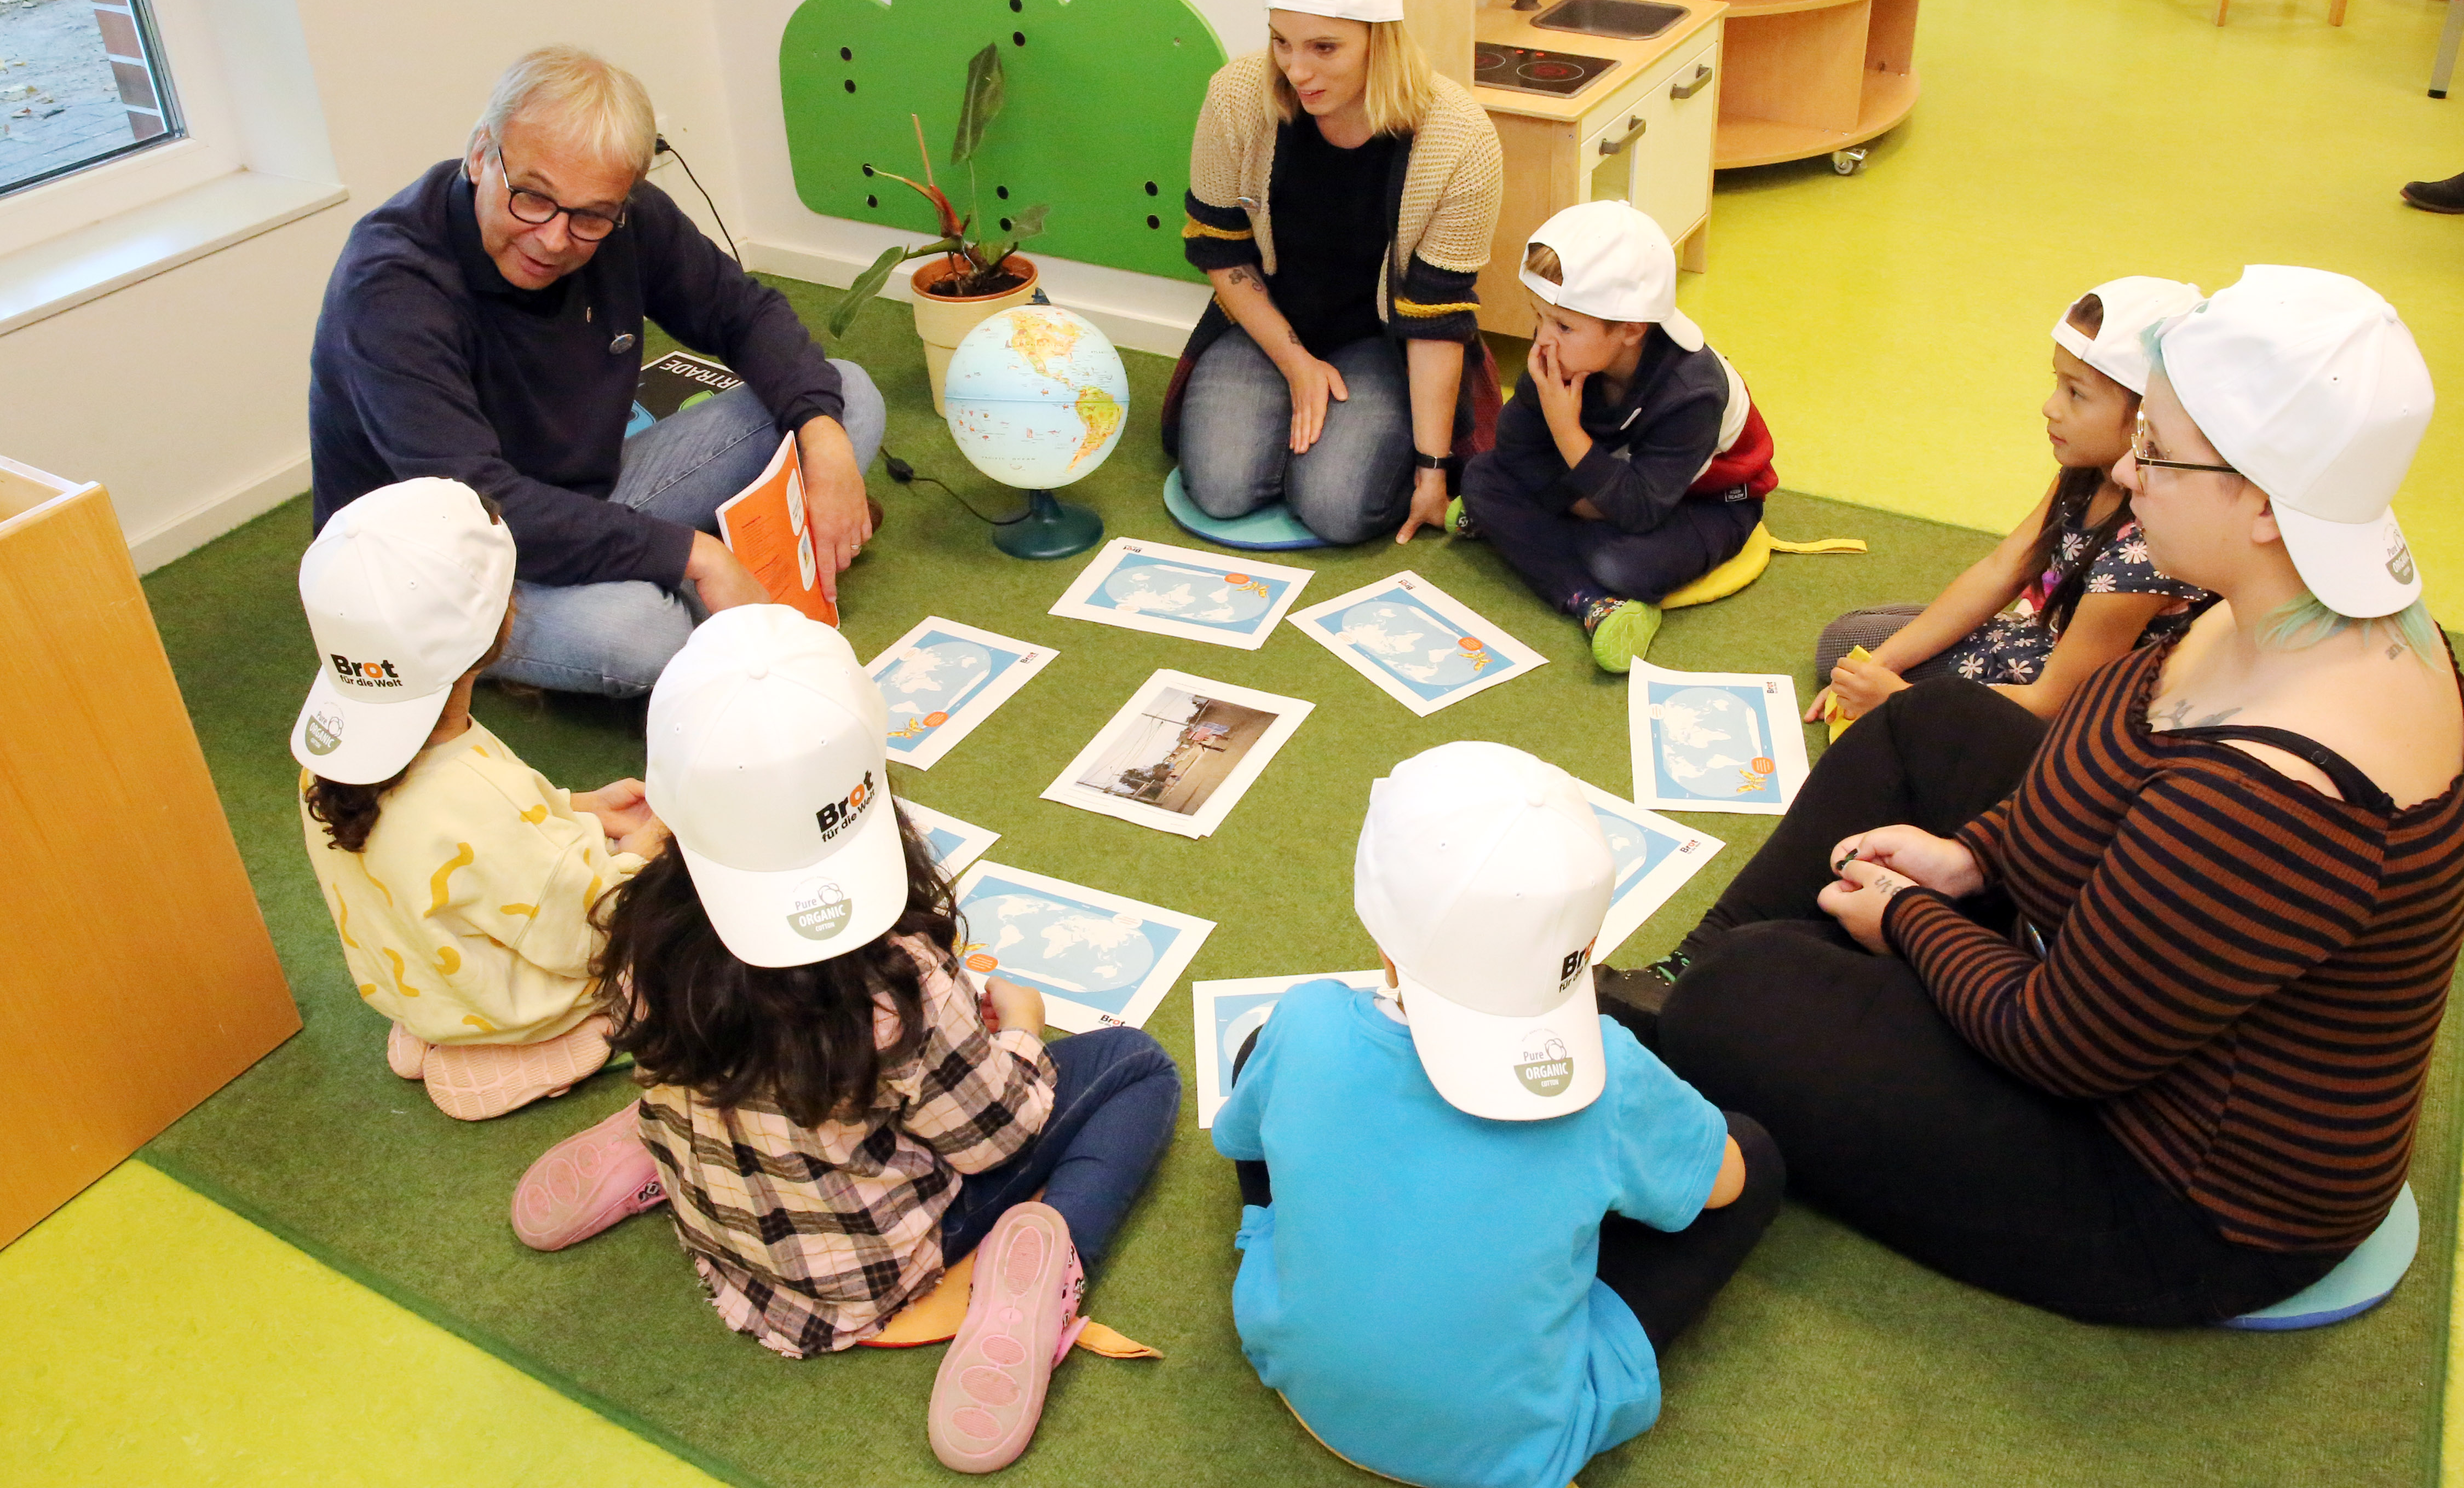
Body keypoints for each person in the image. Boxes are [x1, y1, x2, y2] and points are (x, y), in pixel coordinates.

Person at [1601, 266, 2464, 1327]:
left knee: (1756, 990)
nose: (2133, 476)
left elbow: (2056, 1040)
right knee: (1931, 724)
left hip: (2168, 1192)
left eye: (2162, 453)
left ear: (2265, 508)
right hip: (2110, 974)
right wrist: (1979, 860)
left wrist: (1912, 917)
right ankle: (1680, 986)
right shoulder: (2276, 599)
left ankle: (1710, 997)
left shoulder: (2283, 793)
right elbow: (2110, 755)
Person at [509, 606, 1180, 1475]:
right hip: (871, 1263)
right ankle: (1048, 1264)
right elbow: (999, 1137)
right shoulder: (891, 979)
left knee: (724, 1084)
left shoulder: (643, 926)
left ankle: (660, 1139)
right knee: (1136, 1066)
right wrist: (1020, 1029)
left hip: (733, 1227)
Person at [1215, 742, 1782, 1488]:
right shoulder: (1611, 1070)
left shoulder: (1309, 1016)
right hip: (1508, 1444)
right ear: (1587, 946)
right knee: (1755, 1155)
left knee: (1265, 1051)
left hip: (1294, 1362)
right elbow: (1727, 1182)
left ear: (1384, 937)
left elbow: (1243, 1139)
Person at [307, 45, 888, 699]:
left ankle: (693, 566)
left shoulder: (624, 220)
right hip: (437, 567)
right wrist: (694, 555)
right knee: (643, 633)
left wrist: (824, 441)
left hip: (580, 494)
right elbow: (478, 505)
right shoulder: (390, 286)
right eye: (533, 198)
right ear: (479, 155)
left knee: (844, 400)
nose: (554, 239)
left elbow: (744, 315)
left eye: (590, 216)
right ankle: (690, 574)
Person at [292, 477, 665, 1121]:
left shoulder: (329, 757)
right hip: (513, 1006)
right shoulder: (478, 801)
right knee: (690, 932)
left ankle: (440, 1031)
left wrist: (574, 806)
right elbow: (596, 935)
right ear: (501, 625)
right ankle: (540, 1043)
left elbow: (455, 843)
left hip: (420, 987)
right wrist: (644, 852)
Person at [1164, 0, 1505, 546]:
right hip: (1267, 322)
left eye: (1325, 48)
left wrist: (1432, 472)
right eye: (1281, 42)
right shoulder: (1237, 97)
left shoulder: (1460, 138)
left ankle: (1331, 458)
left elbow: (1437, 318)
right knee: (1219, 489)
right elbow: (1221, 251)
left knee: (1338, 509)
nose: (1297, 70)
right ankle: (1297, 443)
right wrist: (1296, 366)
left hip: (1385, 343)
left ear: (1382, 39)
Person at [1807, 276, 2213, 726]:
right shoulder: (2088, 469)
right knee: (1852, 643)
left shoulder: (2145, 552)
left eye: (2076, 393)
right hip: (2044, 640)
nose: (2050, 407)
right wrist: (1879, 665)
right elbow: (2003, 567)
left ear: (2148, 415)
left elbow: (2056, 703)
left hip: (2062, 704)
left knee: (1849, 655)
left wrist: (1899, 701)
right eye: (2057, 383)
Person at [1454, 201, 1777, 672]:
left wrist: (1564, 430)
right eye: (1538, 317)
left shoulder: (1693, 392)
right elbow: (1515, 446)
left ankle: (1576, 578)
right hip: (1604, 486)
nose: (1543, 341)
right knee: (1481, 476)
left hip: (1708, 504)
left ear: (1630, 329)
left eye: (1564, 325)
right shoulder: (1561, 355)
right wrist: (1584, 502)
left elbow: (1640, 510)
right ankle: (1587, 596)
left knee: (1618, 565)